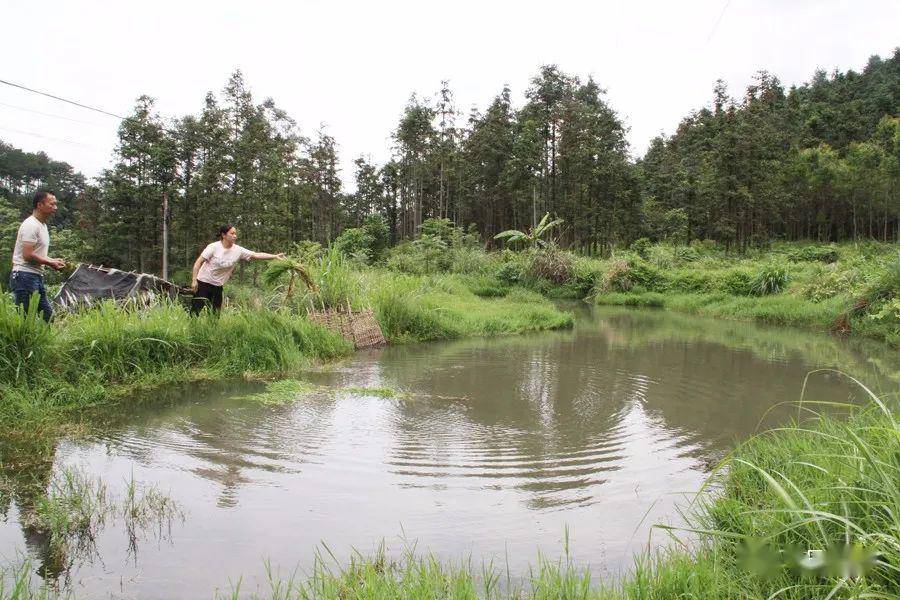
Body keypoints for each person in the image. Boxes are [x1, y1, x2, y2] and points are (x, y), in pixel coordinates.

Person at [190, 225, 284, 315]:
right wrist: (194, 281)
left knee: (215, 314)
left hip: (218, 286)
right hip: (203, 283)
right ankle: (192, 330)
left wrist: (275, 256)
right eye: (232, 233)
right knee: (195, 311)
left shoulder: (238, 250)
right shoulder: (213, 247)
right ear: (223, 235)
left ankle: (212, 331)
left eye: (235, 233)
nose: (235, 236)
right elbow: (198, 262)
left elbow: (256, 255)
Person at [9, 191, 66, 322]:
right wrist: (50, 263)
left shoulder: (42, 225)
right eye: (52, 204)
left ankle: (45, 342)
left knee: (48, 316)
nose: (55, 208)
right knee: (25, 319)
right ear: (40, 205)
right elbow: (27, 255)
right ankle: (22, 342)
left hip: (35, 276)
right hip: (24, 276)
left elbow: (38, 254)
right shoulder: (31, 225)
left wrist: (52, 260)